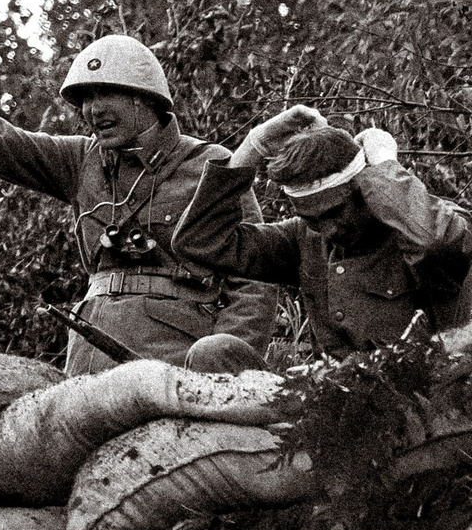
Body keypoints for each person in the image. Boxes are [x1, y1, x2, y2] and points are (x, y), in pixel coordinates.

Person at [0, 33, 276, 372]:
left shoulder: (210, 165)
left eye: (105, 93)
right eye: (86, 98)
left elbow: (255, 280)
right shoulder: (81, 160)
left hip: (173, 360)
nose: (92, 109)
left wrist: (223, 363)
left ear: (144, 98)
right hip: (88, 356)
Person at [169, 107, 471, 364]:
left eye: (334, 212)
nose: (328, 230)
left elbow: (435, 244)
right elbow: (198, 242)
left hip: (422, 401)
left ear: (365, 189)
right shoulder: (304, 238)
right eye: (311, 218)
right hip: (329, 402)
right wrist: (254, 146)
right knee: (215, 352)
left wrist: (384, 166)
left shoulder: (427, 221)